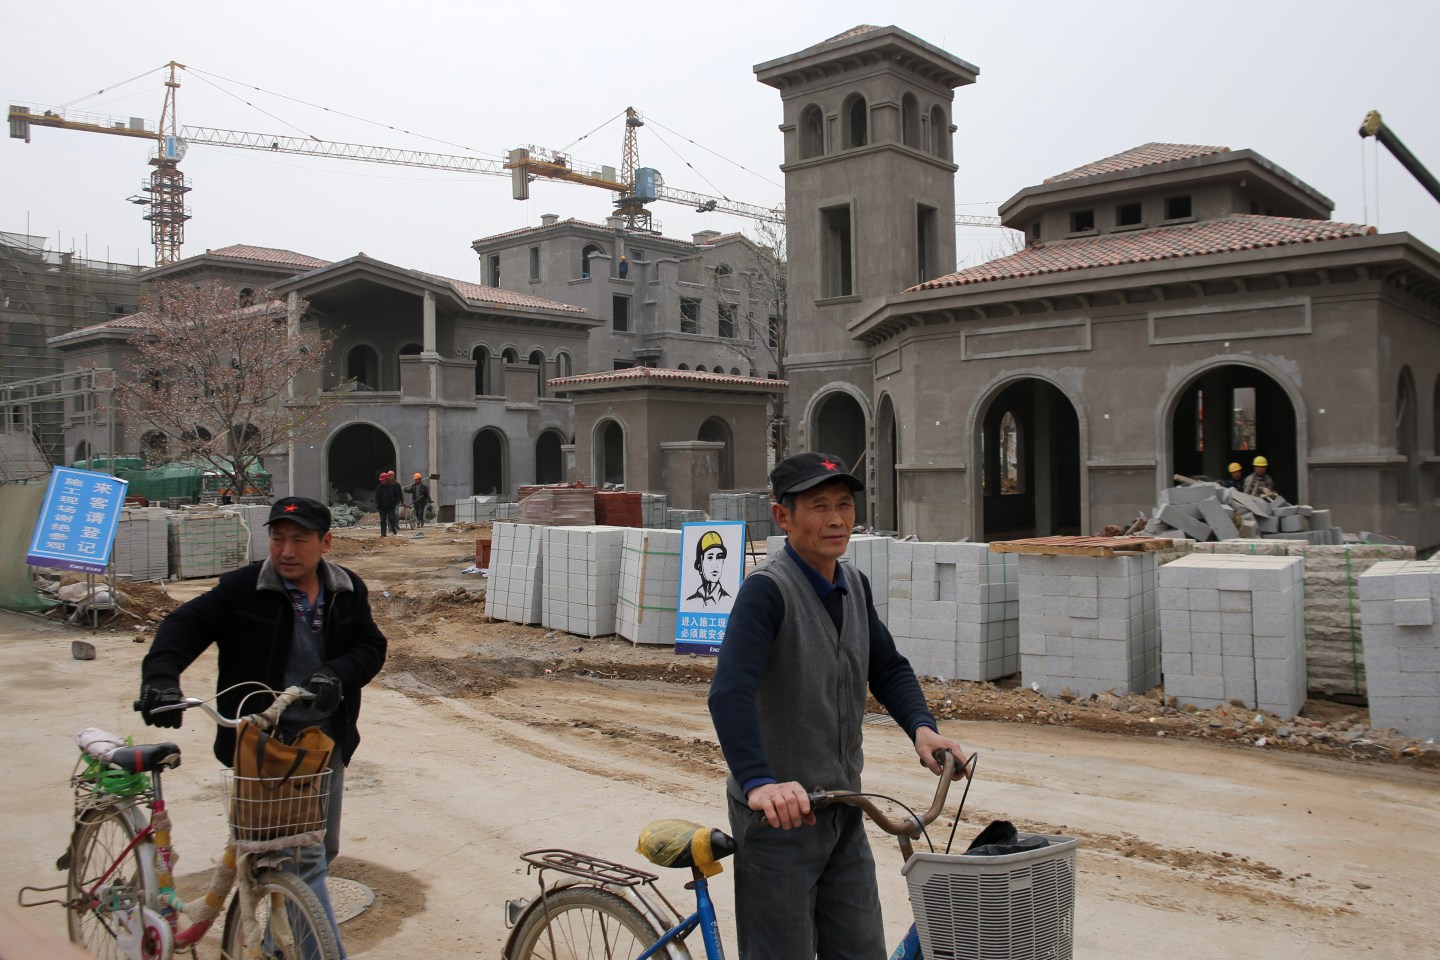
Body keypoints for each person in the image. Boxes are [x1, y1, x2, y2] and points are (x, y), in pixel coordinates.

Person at [708, 451, 970, 960]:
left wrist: (922, 728)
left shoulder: (853, 584)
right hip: (780, 821)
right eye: (819, 506)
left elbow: (887, 667)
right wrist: (760, 783)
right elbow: (729, 692)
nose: (836, 519)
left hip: (844, 810)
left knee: (861, 948)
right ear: (783, 517)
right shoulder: (766, 592)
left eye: (844, 505)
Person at [137, 497, 387, 959]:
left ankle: (274, 941)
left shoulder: (346, 588)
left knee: (323, 848)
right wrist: (161, 678)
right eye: (278, 538)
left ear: (325, 542)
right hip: (263, 745)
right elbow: (185, 624)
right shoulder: (242, 589)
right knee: (304, 859)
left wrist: (336, 674)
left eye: (299, 539)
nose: (286, 551)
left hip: (323, 742)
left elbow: (370, 646)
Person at [685, 530, 731, 606]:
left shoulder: (728, 601)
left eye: (719, 557)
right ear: (700, 566)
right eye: (710, 557)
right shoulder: (689, 602)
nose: (715, 564)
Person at [375, 470, 402, 536]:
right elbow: (377, 497)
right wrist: (377, 504)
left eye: (383, 480)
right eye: (381, 480)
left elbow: (397, 495)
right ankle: (383, 533)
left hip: (390, 506)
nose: (382, 481)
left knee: (391, 519)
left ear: (386, 480)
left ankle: (393, 529)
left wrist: (395, 503)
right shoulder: (379, 488)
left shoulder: (393, 486)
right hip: (382, 507)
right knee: (383, 520)